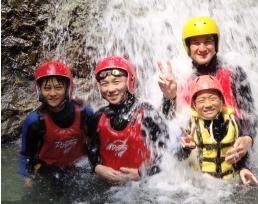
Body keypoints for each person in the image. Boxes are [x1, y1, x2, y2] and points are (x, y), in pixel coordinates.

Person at [158, 16, 258, 164]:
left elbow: (250, 114)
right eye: (196, 43)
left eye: (208, 42)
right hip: (194, 157)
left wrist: (248, 138)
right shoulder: (180, 76)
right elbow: (167, 121)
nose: (202, 48)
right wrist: (169, 96)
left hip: (232, 156)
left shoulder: (234, 73)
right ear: (188, 47)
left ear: (216, 44)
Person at [88, 56, 169, 184]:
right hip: (108, 187)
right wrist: (97, 167)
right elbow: (92, 149)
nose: (110, 89)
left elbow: (168, 156)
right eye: (104, 84)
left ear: (129, 82)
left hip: (145, 186)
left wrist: (142, 173)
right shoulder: (98, 117)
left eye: (116, 82)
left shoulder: (146, 114)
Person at [19, 61, 94, 189]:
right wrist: (26, 176)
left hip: (79, 164)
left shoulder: (84, 111)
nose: (52, 93)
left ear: (67, 89)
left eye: (58, 87)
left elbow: (95, 141)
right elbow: (25, 154)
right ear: (40, 90)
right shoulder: (34, 121)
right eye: (47, 88)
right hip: (47, 167)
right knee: (57, 180)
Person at [179, 75, 258, 185]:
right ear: (194, 105)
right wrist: (185, 149)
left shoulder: (233, 122)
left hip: (230, 182)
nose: (208, 105)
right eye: (201, 101)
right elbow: (177, 158)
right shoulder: (189, 125)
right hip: (201, 185)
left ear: (221, 101)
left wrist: (244, 168)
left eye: (213, 99)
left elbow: (242, 153)